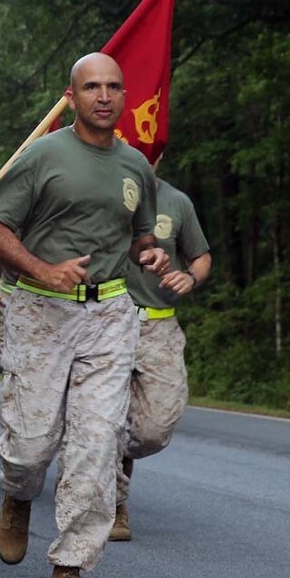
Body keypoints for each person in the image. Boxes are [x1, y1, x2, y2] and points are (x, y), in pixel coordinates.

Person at [0, 53, 169, 578]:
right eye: (92, 87)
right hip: (40, 310)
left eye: (113, 87)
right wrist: (43, 269)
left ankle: (70, 571)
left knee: (95, 443)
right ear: (73, 95)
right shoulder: (43, 154)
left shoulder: (136, 165)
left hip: (109, 313)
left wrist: (150, 253)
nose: (104, 97)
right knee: (32, 443)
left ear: (124, 96)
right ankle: (17, 492)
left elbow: (136, 239)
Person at [111, 156, 212, 543]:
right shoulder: (101, 193)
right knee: (106, 417)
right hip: (108, 319)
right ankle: (114, 504)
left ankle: (109, 462)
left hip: (159, 325)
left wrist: (190, 276)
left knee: (154, 429)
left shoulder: (177, 202)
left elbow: (201, 256)